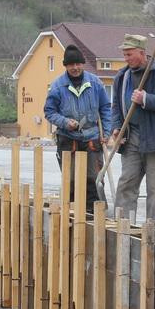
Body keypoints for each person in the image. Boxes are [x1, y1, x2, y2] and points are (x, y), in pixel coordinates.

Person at [110, 34, 155, 227]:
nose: (126, 58)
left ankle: (152, 229)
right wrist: (117, 127)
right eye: (124, 54)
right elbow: (115, 106)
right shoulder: (122, 76)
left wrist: (146, 99)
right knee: (126, 183)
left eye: (129, 54)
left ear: (142, 53)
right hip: (131, 137)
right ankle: (123, 226)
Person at [44, 44, 111, 211]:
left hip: (92, 138)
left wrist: (106, 132)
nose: (75, 68)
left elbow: (105, 108)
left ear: (83, 64)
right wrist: (65, 122)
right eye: (71, 65)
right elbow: (49, 112)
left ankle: (95, 214)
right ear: (66, 66)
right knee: (71, 180)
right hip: (68, 139)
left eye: (78, 64)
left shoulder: (95, 83)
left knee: (94, 179)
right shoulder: (57, 86)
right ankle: (74, 215)